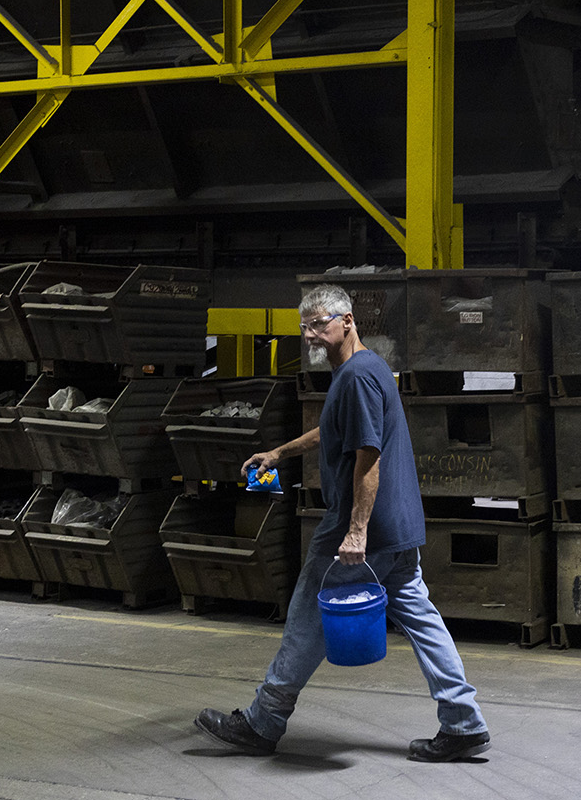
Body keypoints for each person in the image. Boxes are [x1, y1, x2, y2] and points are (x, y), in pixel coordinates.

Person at [193, 284, 491, 762]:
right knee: (422, 618)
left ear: (348, 320)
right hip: (398, 525)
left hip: (360, 527)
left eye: (320, 324)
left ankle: (263, 721)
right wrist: (279, 451)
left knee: (307, 620)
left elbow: (367, 457)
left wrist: (354, 531)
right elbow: (336, 426)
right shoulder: (367, 369)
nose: (311, 334)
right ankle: (463, 721)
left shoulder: (354, 378)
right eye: (305, 327)